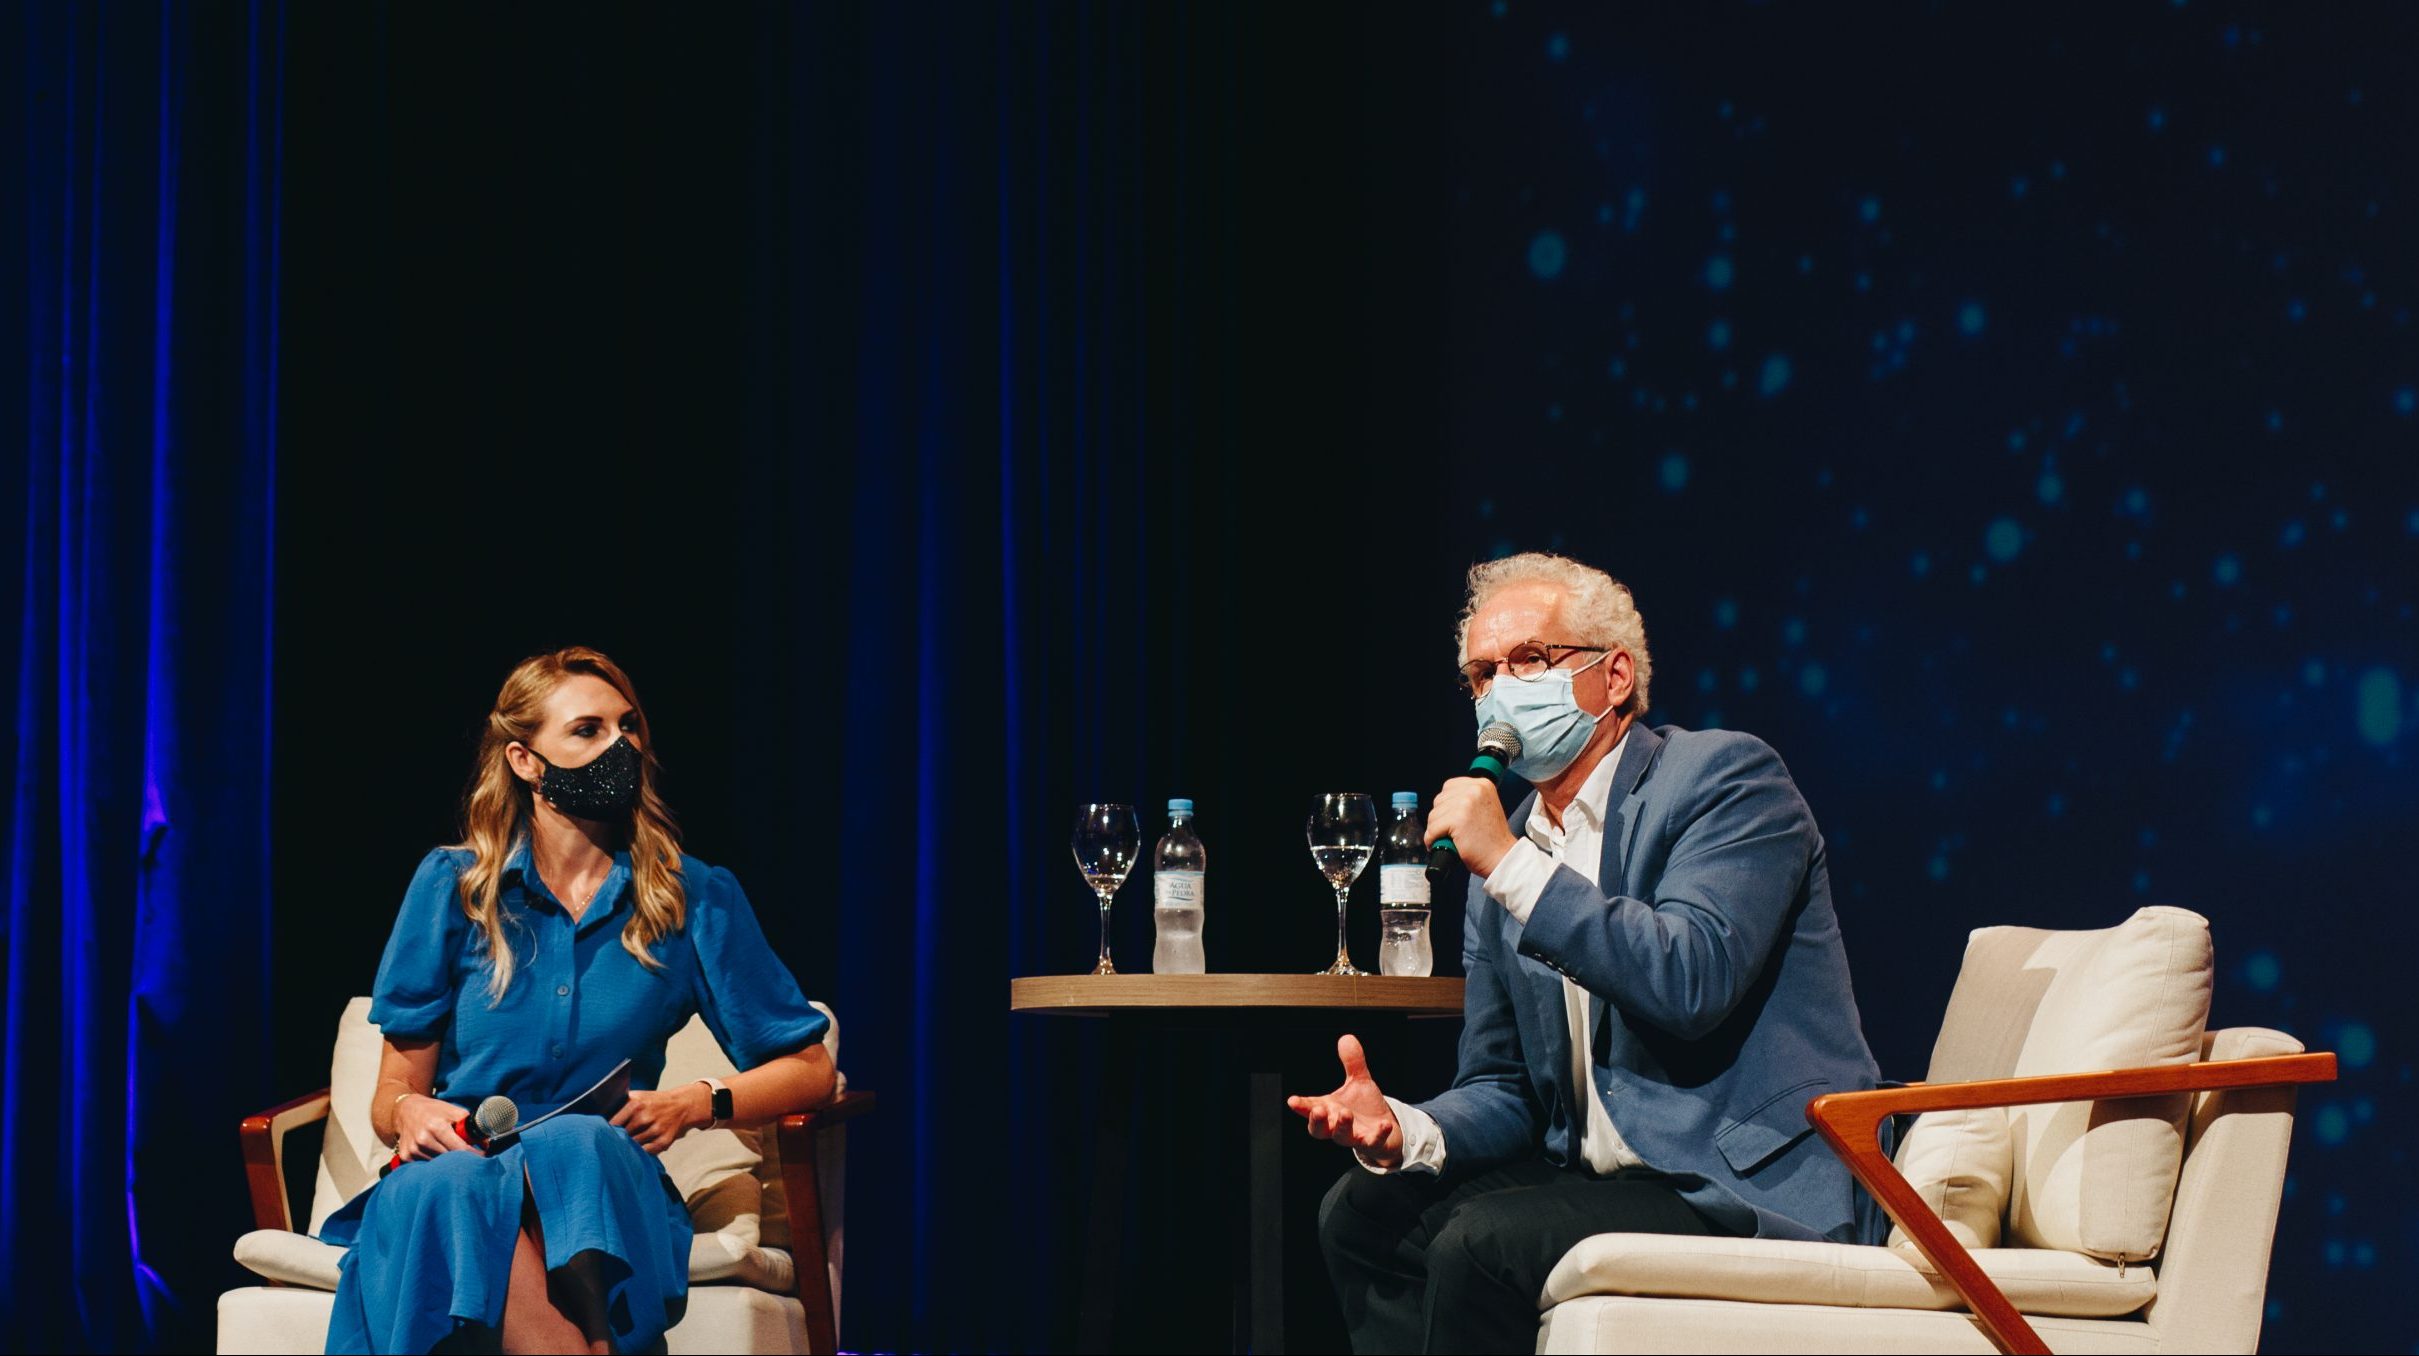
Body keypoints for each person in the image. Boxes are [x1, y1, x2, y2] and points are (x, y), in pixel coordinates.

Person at [1290, 553, 1880, 1355]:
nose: (1500, 692)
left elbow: (1689, 979)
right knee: (1359, 1214)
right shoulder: (1515, 845)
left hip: (1732, 1181)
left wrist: (1508, 864)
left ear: (1613, 678)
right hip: (1597, 1177)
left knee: (1483, 1244)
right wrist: (1407, 1127)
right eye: (1480, 675)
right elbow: (1503, 1086)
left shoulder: (1726, 780)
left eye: (1529, 659)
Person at [318, 647, 838, 1354]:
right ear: (525, 761)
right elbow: (391, 1098)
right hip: (460, 1170)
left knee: (574, 1140)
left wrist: (695, 1103)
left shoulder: (694, 895)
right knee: (452, 1184)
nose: (619, 744)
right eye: (588, 730)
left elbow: (809, 1068)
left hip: (594, 1184)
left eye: (628, 727)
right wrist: (410, 1111)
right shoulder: (453, 885)